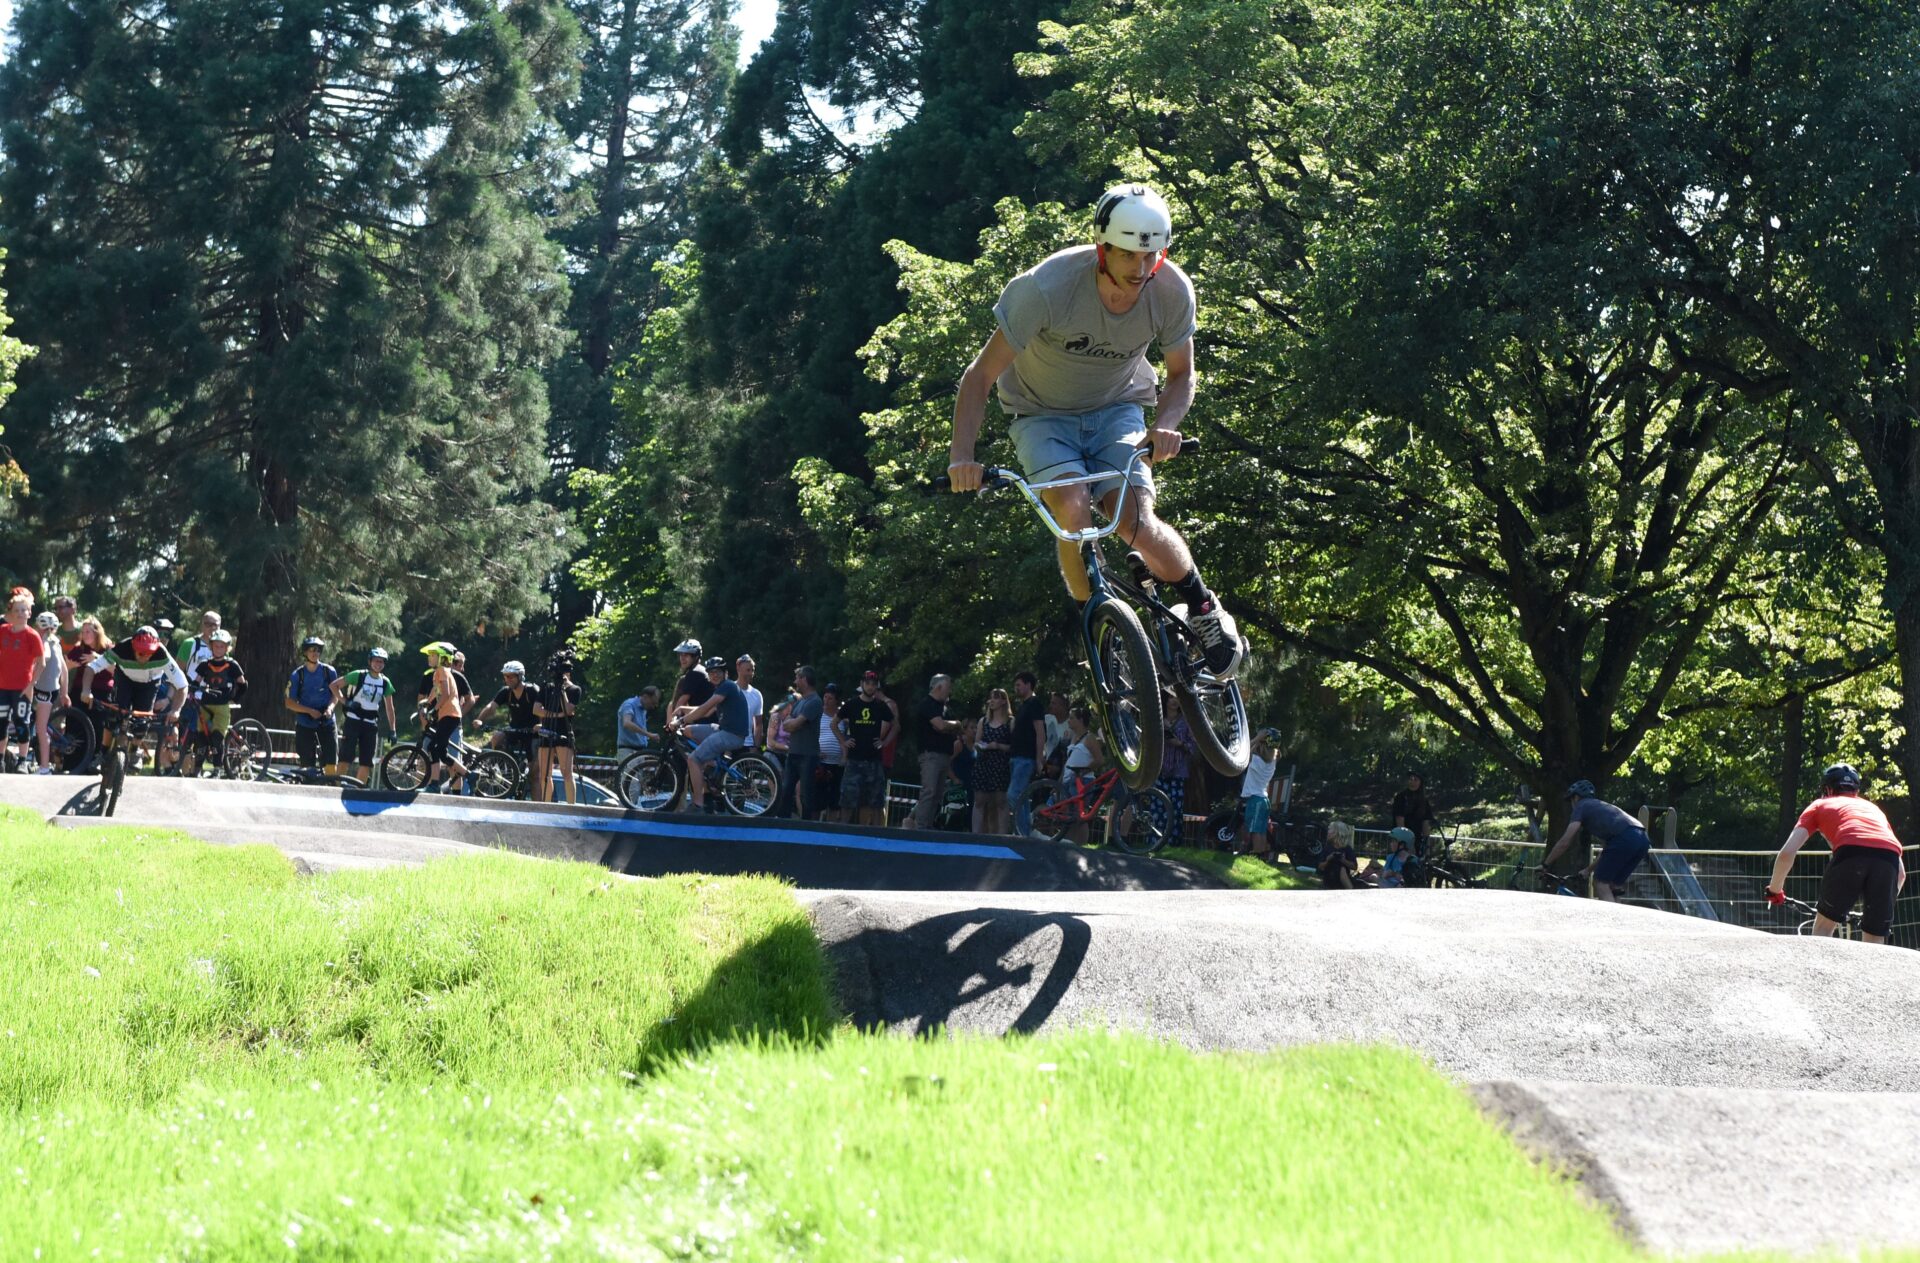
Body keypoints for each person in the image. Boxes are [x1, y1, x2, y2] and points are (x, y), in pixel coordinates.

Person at [945, 183, 1244, 679]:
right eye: (1127, 255)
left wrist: (1166, 426)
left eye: (1150, 255)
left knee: (1133, 519)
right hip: (1041, 415)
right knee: (1072, 508)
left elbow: (1181, 374)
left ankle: (1204, 607)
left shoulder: (1171, 291)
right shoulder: (1046, 287)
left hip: (1118, 407)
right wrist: (962, 456)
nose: (1140, 269)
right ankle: (1098, 623)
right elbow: (979, 376)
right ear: (1102, 248)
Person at [1765, 763, 1909, 944]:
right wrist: (1878, 905)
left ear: (1827, 789)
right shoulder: (1874, 810)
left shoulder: (1820, 804)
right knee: (1875, 939)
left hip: (1850, 852)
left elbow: (1787, 853)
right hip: (1888, 859)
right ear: (1856, 791)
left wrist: (1775, 891)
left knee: (1823, 929)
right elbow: (1901, 874)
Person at [78, 623, 188, 772]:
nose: (144, 657)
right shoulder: (121, 648)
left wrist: (176, 710)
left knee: (142, 722)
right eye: (140, 653)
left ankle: (135, 750)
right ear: (132, 646)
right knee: (114, 715)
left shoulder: (162, 654)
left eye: (148, 653)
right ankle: (102, 754)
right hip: (125, 680)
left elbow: (182, 685)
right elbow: (92, 667)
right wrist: (86, 690)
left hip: (149, 684)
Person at [1541, 780, 1647, 902]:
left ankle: (1610, 915)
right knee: (1613, 885)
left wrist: (1545, 864)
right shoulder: (1602, 810)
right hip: (1642, 838)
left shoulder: (1581, 806)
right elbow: (1606, 850)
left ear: (1576, 797)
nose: (1571, 804)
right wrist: (1588, 870)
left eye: (1570, 800)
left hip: (1625, 838)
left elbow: (1565, 841)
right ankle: (1618, 912)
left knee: (1600, 883)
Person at [673, 656, 750, 813]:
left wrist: (680, 720)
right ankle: (711, 762)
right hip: (723, 730)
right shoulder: (722, 689)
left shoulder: (727, 686)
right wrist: (682, 709)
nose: (714, 675)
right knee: (688, 731)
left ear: (725, 673)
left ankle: (698, 805)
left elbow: (704, 709)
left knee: (693, 759)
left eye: (718, 672)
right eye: (711, 672)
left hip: (731, 735)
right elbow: (706, 710)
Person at [834, 671, 896, 827]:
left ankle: (875, 834)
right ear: (862, 684)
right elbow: (833, 724)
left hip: (874, 760)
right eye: (867, 683)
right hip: (854, 759)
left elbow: (896, 726)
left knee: (875, 802)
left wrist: (884, 742)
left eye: (873, 684)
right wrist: (843, 741)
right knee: (847, 799)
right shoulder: (851, 704)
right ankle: (842, 831)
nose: (870, 687)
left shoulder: (881, 706)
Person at [473, 660, 543, 798]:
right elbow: (491, 706)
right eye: (505, 676)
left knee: (534, 776)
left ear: (520, 676)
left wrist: (542, 725)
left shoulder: (532, 690)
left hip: (532, 732)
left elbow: (542, 709)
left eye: (511, 676)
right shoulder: (506, 691)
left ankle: (538, 806)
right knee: (497, 737)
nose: (507, 679)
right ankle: (505, 767)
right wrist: (480, 719)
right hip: (514, 729)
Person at [330, 648, 398, 785]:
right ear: (370, 661)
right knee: (345, 757)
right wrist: (345, 701)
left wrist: (393, 730)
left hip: (370, 724)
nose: (378, 664)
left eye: (381, 662)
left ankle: (358, 789)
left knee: (366, 761)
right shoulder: (359, 675)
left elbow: (390, 708)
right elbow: (333, 685)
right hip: (353, 721)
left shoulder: (385, 682)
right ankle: (336, 786)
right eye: (376, 661)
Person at [186, 630, 247, 774]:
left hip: (222, 705)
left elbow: (243, 684)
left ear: (227, 648)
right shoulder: (205, 664)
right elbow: (196, 682)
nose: (218, 649)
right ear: (211, 646)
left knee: (217, 737)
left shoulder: (232, 665)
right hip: (205, 704)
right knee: (201, 738)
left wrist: (234, 699)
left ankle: (217, 769)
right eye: (216, 646)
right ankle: (197, 769)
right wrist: (191, 691)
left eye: (222, 646)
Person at [0, 591, 49, 770]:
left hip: (22, 688)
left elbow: (41, 663)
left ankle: (22, 761)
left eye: (24, 610)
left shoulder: (32, 635)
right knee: (1, 723)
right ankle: (1, 759)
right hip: (2, 687)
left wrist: (31, 685)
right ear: (11, 613)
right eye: (17, 610)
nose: (20, 613)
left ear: (29, 613)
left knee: (21, 723)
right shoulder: (3, 631)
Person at [913, 674, 964, 829]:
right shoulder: (927, 704)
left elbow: (949, 726)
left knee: (937, 794)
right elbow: (940, 726)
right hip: (930, 755)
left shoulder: (944, 708)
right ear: (939, 687)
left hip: (944, 755)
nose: (949, 692)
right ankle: (920, 827)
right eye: (948, 688)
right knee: (929, 791)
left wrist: (951, 725)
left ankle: (928, 826)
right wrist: (954, 725)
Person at [418, 642, 469, 793]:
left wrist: (434, 709)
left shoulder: (443, 671)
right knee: (436, 749)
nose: (429, 657)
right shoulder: (438, 672)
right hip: (447, 715)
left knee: (435, 748)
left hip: (450, 714)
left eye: (433, 655)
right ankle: (467, 775)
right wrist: (426, 702)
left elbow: (445, 694)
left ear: (442, 658)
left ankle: (438, 783)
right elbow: (435, 690)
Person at [285, 636, 340, 775]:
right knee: (307, 764)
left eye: (317, 650)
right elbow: (289, 703)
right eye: (311, 650)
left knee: (331, 763)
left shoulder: (329, 671)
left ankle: (331, 784)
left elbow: (336, 695)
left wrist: (330, 708)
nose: (315, 653)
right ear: (305, 652)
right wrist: (309, 711)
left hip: (327, 721)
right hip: (305, 722)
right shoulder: (297, 675)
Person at [773, 667, 824, 819]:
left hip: (808, 755)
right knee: (785, 790)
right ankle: (783, 823)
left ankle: (807, 827)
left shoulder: (815, 701)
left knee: (805, 795)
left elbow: (794, 724)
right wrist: (794, 723)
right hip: (793, 753)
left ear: (804, 680)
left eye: (797, 678)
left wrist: (794, 723)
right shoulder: (800, 702)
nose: (795, 682)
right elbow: (786, 724)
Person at [536, 649, 582, 805]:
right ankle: (546, 805)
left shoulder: (574, 689)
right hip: (547, 731)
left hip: (563, 732)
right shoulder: (546, 687)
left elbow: (568, 709)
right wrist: (558, 715)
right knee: (544, 774)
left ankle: (571, 807)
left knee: (566, 772)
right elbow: (536, 709)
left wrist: (562, 689)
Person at [1153, 687, 1198, 841]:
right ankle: (1155, 840)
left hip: (1178, 771)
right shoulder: (1158, 719)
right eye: (1171, 697)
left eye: (1177, 697)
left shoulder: (1186, 721)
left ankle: (1173, 841)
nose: (1174, 701)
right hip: (1159, 770)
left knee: (1175, 808)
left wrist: (1180, 743)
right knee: (1157, 806)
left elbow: (1193, 746)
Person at [1007, 672, 1049, 834]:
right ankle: (1024, 832)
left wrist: (1039, 758)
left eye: (1019, 684)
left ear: (1028, 685)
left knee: (1013, 794)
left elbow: (1040, 732)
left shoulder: (1034, 704)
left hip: (1026, 757)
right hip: (1016, 756)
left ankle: (1023, 831)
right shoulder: (1024, 705)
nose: (1016, 688)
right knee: (1022, 797)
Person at [970, 687, 1014, 835]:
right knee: (979, 801)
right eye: (991, 697)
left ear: (1003, 701)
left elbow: (1014, 747)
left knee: (1000, 802)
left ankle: (1001, 836)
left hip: (1001, 765)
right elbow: (976, 742)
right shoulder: (983, 721)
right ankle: (976, 835)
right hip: (983, 763)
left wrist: (998, 746)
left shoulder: (1010, 722)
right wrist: (982, 746)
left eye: (996, 697)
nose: (992, 701)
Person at [30, 611, 68, 773]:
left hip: (44, 690)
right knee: (40, 725)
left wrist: (31, 679)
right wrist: (64, 693)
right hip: (52, 689)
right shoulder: (56, 643)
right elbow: (64, 670)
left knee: (41, 728)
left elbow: (43, 659)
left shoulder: (44, 642)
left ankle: (44, 767)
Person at [1239, 729, 1281, 853]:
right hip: (1264, 800)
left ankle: (1257, 853)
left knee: (1255, 831)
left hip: (1255, 799)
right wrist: (1261, 740)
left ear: (1262, 744)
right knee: (1262, 830)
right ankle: (1260, 854)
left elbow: (1242, 752)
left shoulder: (1256, 760)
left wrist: (1257, 739)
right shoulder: (1273, 760)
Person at [814, 682, 846, 821]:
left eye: (830, 698)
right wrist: (815, 751)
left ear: (836, 700)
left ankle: (831, 827)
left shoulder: (843, 717)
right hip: (820, 763)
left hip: (837, 764)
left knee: (835, 800)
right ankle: (813, 826)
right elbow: (811, 736)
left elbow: (846, 738)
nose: (826, 701)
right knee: (817, 799)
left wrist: (845, 756)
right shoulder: (817, 715)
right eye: (825, 697)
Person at [668, 637, 712, 726]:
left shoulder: (694, 673)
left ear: (696, 657)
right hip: (708, 718)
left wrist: (673, 721)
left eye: (686, 655)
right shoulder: (702, 670)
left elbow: (681, 702)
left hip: (705, 721)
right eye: (681, 655)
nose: (682, 658)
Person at [1392, 772, 1438, 857]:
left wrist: (1427, 847)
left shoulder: (1424, 801)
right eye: (1410, 779)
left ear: (1420, 782)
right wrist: (1407, 844)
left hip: (1417, 839)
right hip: (1401, 841)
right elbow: (1400, 823)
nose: (1412, 782)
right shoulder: (1401, 797)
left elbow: (1426, 824)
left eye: (1415, 780)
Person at [1318, 820, 1363, 889]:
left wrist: (1343, 860)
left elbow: (1354, 867)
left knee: (1342, 868)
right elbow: (1320, 867)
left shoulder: (1347, 849)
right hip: (1329, 876)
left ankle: (1350, 889)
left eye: (1330, 829)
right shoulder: (1327, 847)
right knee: (1338, 868)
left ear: (1337, 833)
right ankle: (1350, 889)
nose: (1328, 832)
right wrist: (1328, 859)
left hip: (1343, 878)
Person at [617, 685, 659, 755]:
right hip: (628, 751)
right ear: (645, 697)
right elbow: (627, 723)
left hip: (639, 751)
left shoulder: (643, 710)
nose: (653, 707)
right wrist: (649, 734)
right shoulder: (629, 704)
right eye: (652, 703)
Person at [735, 655, 764, 751]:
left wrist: (756, 747)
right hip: (728, 743)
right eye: (748, 670)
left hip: (748, 744)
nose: (751, 673)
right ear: (738, 668)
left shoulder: (756, 694)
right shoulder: (729, 689)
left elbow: (758, 724)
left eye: (752, 670)